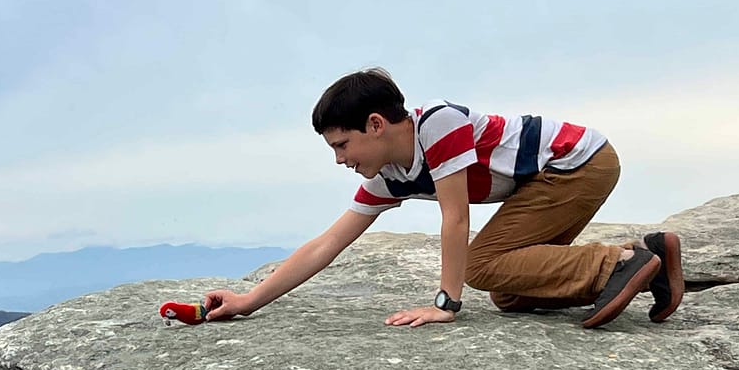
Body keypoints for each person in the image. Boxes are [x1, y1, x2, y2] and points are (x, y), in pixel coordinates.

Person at [203, 68, 683, 328]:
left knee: (479, 267)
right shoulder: (390, 174)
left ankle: (616, 263)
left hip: (577, 164)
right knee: (508, 294)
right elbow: (328, 243)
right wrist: (248, 301)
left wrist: (447, 303)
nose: (339, 160)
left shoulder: (438, 124)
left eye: (342, 145)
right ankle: (649, 258)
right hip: (551, 179)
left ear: (376, 124)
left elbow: (456, 220)